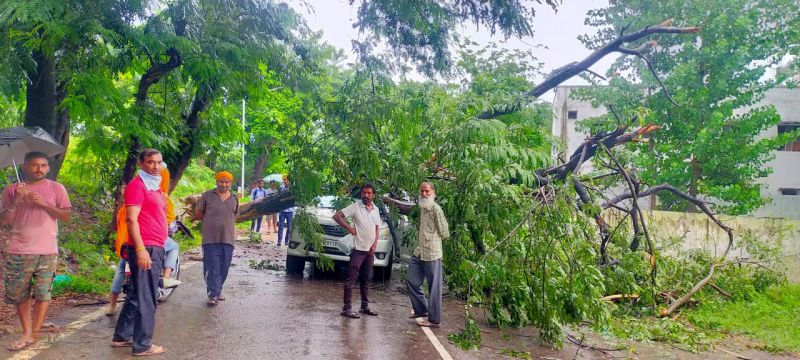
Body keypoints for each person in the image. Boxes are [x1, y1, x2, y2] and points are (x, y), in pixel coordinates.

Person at [0, 152, 72, 351]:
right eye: (34, 165)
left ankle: (34, 333)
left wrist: (43, 203)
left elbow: (66, 215)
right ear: (25, 167)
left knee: (43, 293)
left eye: (43, 165)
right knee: (20, 295)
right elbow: (3, 221)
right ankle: (27, 330)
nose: (39, 169)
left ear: (48, 168)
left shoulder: (56, 188)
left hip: (47, 250)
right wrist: (16, 201)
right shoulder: (11, 190)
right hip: (19, 249)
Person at [111, 148, 168, 356]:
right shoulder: (137, 186)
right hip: (146, 247)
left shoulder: (155, 187)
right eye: (151, 162)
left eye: (159, 162)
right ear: (141, 164)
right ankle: (143, 344)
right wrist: (141, 248)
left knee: (136, 293)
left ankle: (121, 336)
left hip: (155, 246)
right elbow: (131, 219)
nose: (155, 166)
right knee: (147, 296)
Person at [107, 168, 181, 316]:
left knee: (121, 269)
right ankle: (166, 278)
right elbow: (168, 222)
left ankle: (112, 305)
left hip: (125, 242)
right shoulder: (159, 196)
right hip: (148, 239)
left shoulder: (129, 200)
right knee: (174, 247)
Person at [404, 182, 449, 328]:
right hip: (420, 251)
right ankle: (421, 310)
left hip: (432, 253)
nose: (424, 194)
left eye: (427, 191)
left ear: (433, 192)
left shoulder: (436, 209)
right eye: (422, 191)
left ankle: (434, 320)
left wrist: (432, 239)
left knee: (434, 287)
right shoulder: (423, 208)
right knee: (411, 279)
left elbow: (445, 233)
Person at [333, 183, 381, 318]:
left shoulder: (376, 209)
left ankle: (364, 306)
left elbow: (377, 229)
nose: (366, 195)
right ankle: (346, 308)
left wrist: (374, 245)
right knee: (351, 278)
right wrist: (350, 228)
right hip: (358, 249)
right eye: (364, 193)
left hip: (369, 251)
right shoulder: (355, 207)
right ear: (361, 194)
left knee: (366, 278)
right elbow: (337, 216)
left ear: (373, 195)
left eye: (369, 193)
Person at [195, 171, 239, 307]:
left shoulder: (234, 198)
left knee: (224, 267)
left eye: (226, 182)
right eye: (221, 181)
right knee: (212, 266)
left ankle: (218, 290)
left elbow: (235, 215)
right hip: (210, 238)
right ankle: (213, 295)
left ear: (230, 183)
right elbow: (198, 212)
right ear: (216, 181)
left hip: (228, 238)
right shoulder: (207, 196)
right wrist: (210, 222)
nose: (224, 184)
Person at [276, 175, 295, 246]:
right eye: (284, 180)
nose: (285, 181)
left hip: (290, 211)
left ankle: (287, 241)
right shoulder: (281, 188)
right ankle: (279, 241)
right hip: (282, 211)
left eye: (286, 179)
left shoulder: (293, 189)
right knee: (280, 226)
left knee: (289, 227)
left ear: (289, 180)